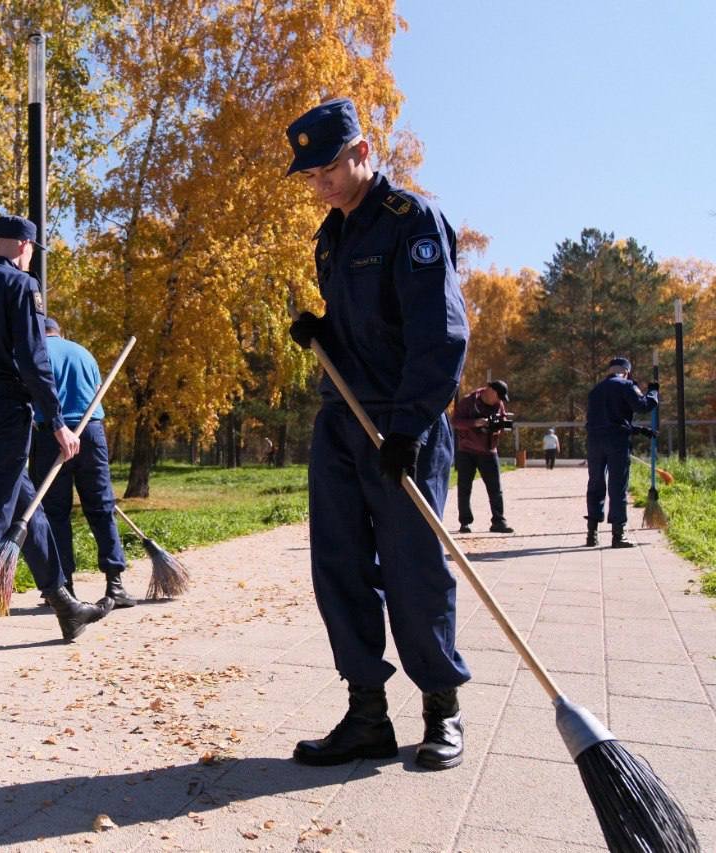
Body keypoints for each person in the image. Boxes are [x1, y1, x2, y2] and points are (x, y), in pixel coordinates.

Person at [284, 98, 471, 771]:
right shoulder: (332, 237)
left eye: (327, 168)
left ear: (363, 152)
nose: (319, 185)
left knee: (415, 567)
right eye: (309, 176)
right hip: (342, 419)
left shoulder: (411, 221)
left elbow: (440, 335)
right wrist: (320, 332)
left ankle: (441, 708)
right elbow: (359, 329)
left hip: (401, 423)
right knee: (338, 564)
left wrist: (411, 424)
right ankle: (366, 712)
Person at [0, 215, 110, 669]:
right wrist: (57, 422)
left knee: (30, 505)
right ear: (26, 246)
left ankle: (65, 605)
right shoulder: (21, 287)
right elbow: (33, 358)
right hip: (10, 409)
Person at [29, 317, 134, 608]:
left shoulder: (37, 353)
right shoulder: (84, 353)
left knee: (55, 514)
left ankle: (65, 590)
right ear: (60, 333)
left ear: (40, 334)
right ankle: (115, 585)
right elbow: (97, 387)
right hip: (92, 432)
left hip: (54, 434)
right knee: (102, 507)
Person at [585, 357, 659, 548]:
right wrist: (653, 392)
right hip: (616, 443)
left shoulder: (595, 390)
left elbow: (606, 420)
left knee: (595, 483)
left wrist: (638, 429)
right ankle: (618, 535)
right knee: (617, 486)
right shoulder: (626, 385)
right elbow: (643, 406)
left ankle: (592, 534)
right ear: (626, 372)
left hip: (594, 441)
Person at [450, 380, 514, 534]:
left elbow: (504, 422)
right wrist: (475, 423)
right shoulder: (468, 402)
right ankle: (465, 522)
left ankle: (499, 521)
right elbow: (455, 422)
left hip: (489, 450)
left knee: (495, 488)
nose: (499, 400)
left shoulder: (499, 404)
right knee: (464, 487)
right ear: (490, 390)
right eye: (498, 396)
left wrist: (500, 426)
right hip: (466, 450)